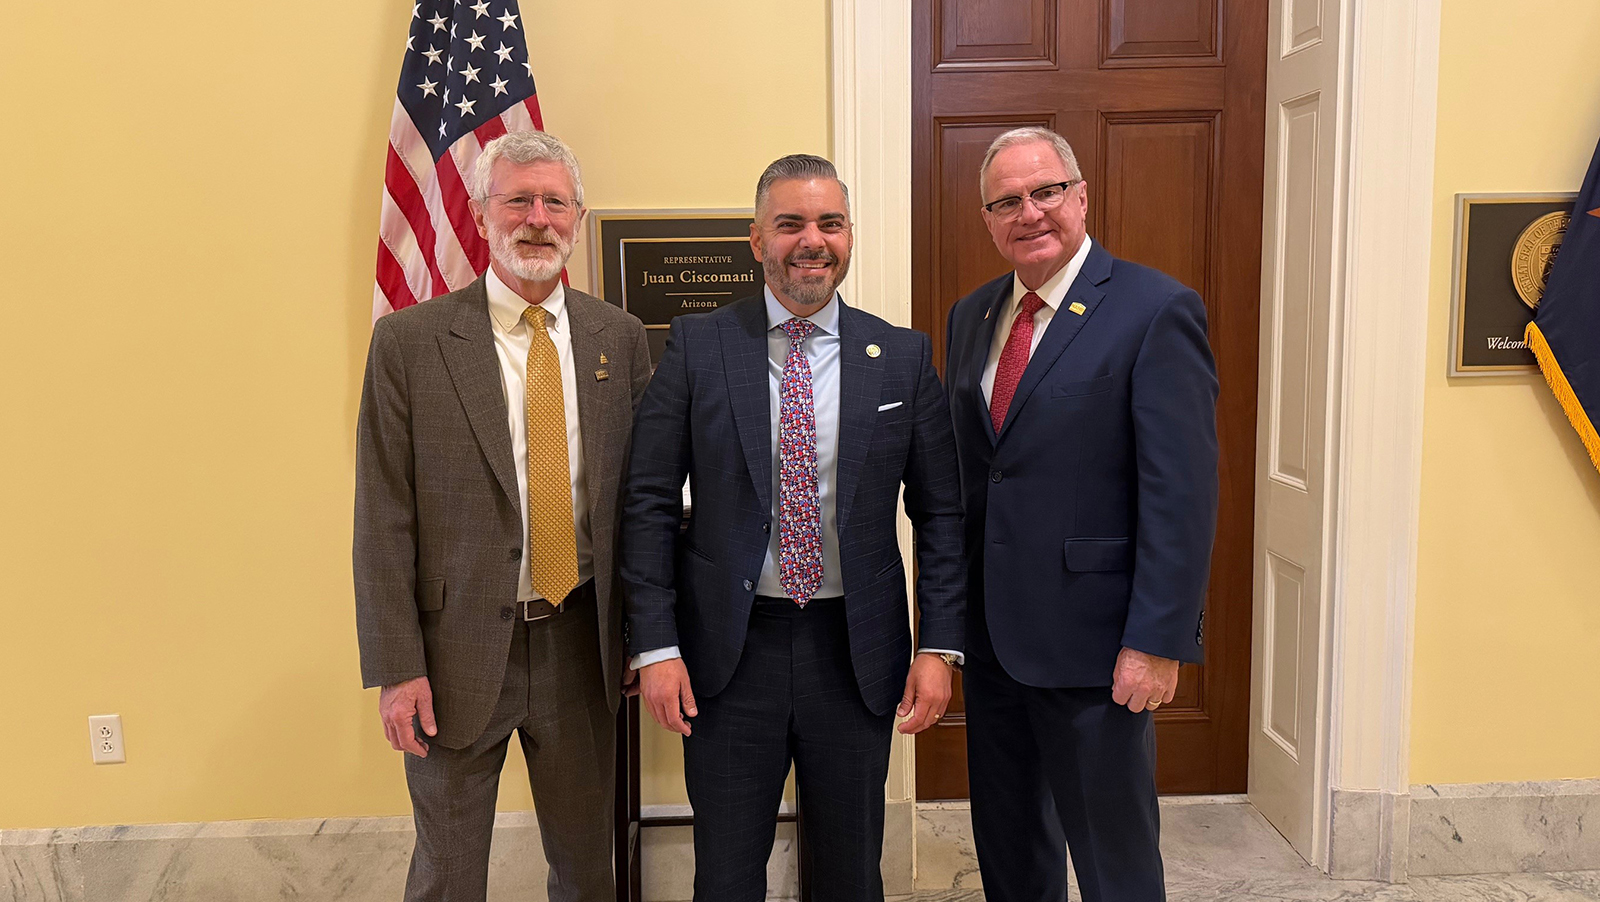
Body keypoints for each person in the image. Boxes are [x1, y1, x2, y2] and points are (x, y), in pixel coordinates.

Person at [621, 154, 965, 902]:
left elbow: (940, 512)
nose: (812, 240)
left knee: (848, 875)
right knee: (727, 875)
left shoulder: (900, 357)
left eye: (829, 223)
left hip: (855, 654)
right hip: (727, 657)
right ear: (756, 240)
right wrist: (655, 644)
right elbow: (647, 499)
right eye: (791, 224)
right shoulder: (699, 346)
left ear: (848, 235)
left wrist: (938, 643)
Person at [353, 130, 651, 902]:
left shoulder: (618, 339)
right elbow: (383, 512)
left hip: (581, 645)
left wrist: (643, 634)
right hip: (452, 655)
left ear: (578, 220)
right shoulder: (410, 343)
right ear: (482, 215)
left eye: (555, 202)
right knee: (448, 873)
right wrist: (397, 668)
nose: (537, 219)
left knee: (589, 871)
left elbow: (638, 506)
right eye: (517, 199)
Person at [943, 126, 1219, 902]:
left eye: (1046, 191)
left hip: (1099, 652)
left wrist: (1157, 641)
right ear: (988, 218)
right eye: (1006, 202)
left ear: (1081, 195)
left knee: (1115, 864)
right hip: (994, 645)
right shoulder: (974, 316)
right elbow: (978, 476)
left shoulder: (1155, 309)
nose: (1028, 213)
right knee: (1011, 850)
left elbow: (1182, 491)